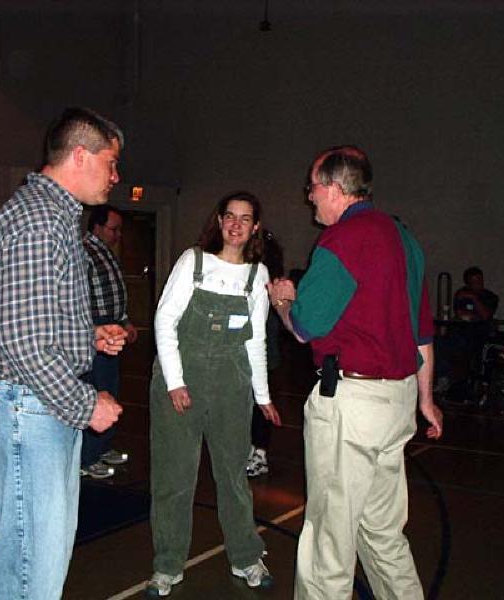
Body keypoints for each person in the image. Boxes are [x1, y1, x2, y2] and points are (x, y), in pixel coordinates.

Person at [0, 107, 127, 600]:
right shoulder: (40, 222)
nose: (117, 176)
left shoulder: (50, 216)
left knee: (23, 555)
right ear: (80, 155)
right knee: (34, 564)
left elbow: (24, 322)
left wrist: (87, 334)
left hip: (21, 401)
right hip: (26, 407)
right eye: (111, 163)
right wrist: (86, 404)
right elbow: (26, 345)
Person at [267, 145, 443, 599]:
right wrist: (425, 401)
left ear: (333, 188)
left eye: (312, 189)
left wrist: (284, 300)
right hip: (399, 402)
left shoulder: (343, 240)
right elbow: (422, 331)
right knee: (383, 533)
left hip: (354, 408)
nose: (309, 199)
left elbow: (306, 327)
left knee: (330, 538)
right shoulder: (405, 239)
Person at [147, 191, 281, 597]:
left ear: (255, 227)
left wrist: (263, 395)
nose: (236, 225)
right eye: (229, 216)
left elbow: (254, 341)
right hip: (181, 382)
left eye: (245, 219)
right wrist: (175, 382)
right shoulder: (194, 261)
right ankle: (167, 565)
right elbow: (164, 321)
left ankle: (245, 558)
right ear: (219, 220)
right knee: (174, 478)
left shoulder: (258, 276)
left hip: (231, 386)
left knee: (233, 476)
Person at [81, 205, 138, 479]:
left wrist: (125, 321)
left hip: (112, 327)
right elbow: (81, 298)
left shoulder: (105, 253)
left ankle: (102, 447)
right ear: (97, 227)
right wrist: (93, 329)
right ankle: (86, 457)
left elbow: (113, 292)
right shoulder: (83, 252)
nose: (117, 235)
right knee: (95, 389)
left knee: (110, 389)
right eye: (113, 229)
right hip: (94, 330)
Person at [246, 229, 284, 478]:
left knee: (260, 403)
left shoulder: (267, 280)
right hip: (248, 351)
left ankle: (258, 452)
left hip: (264, 351)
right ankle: (252, 450)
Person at [434, 266, 499, 392]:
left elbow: (485, 315)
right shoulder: (462, 293)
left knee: (469, 348)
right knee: (439, 342)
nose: (477, 285)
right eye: (473, 282)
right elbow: (460, 313)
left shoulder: (490, 296)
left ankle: (469, 383)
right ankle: (444, 378)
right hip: (461, 332)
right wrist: (473, 315)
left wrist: (474, 299)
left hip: (480, 334)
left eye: (479, 281)